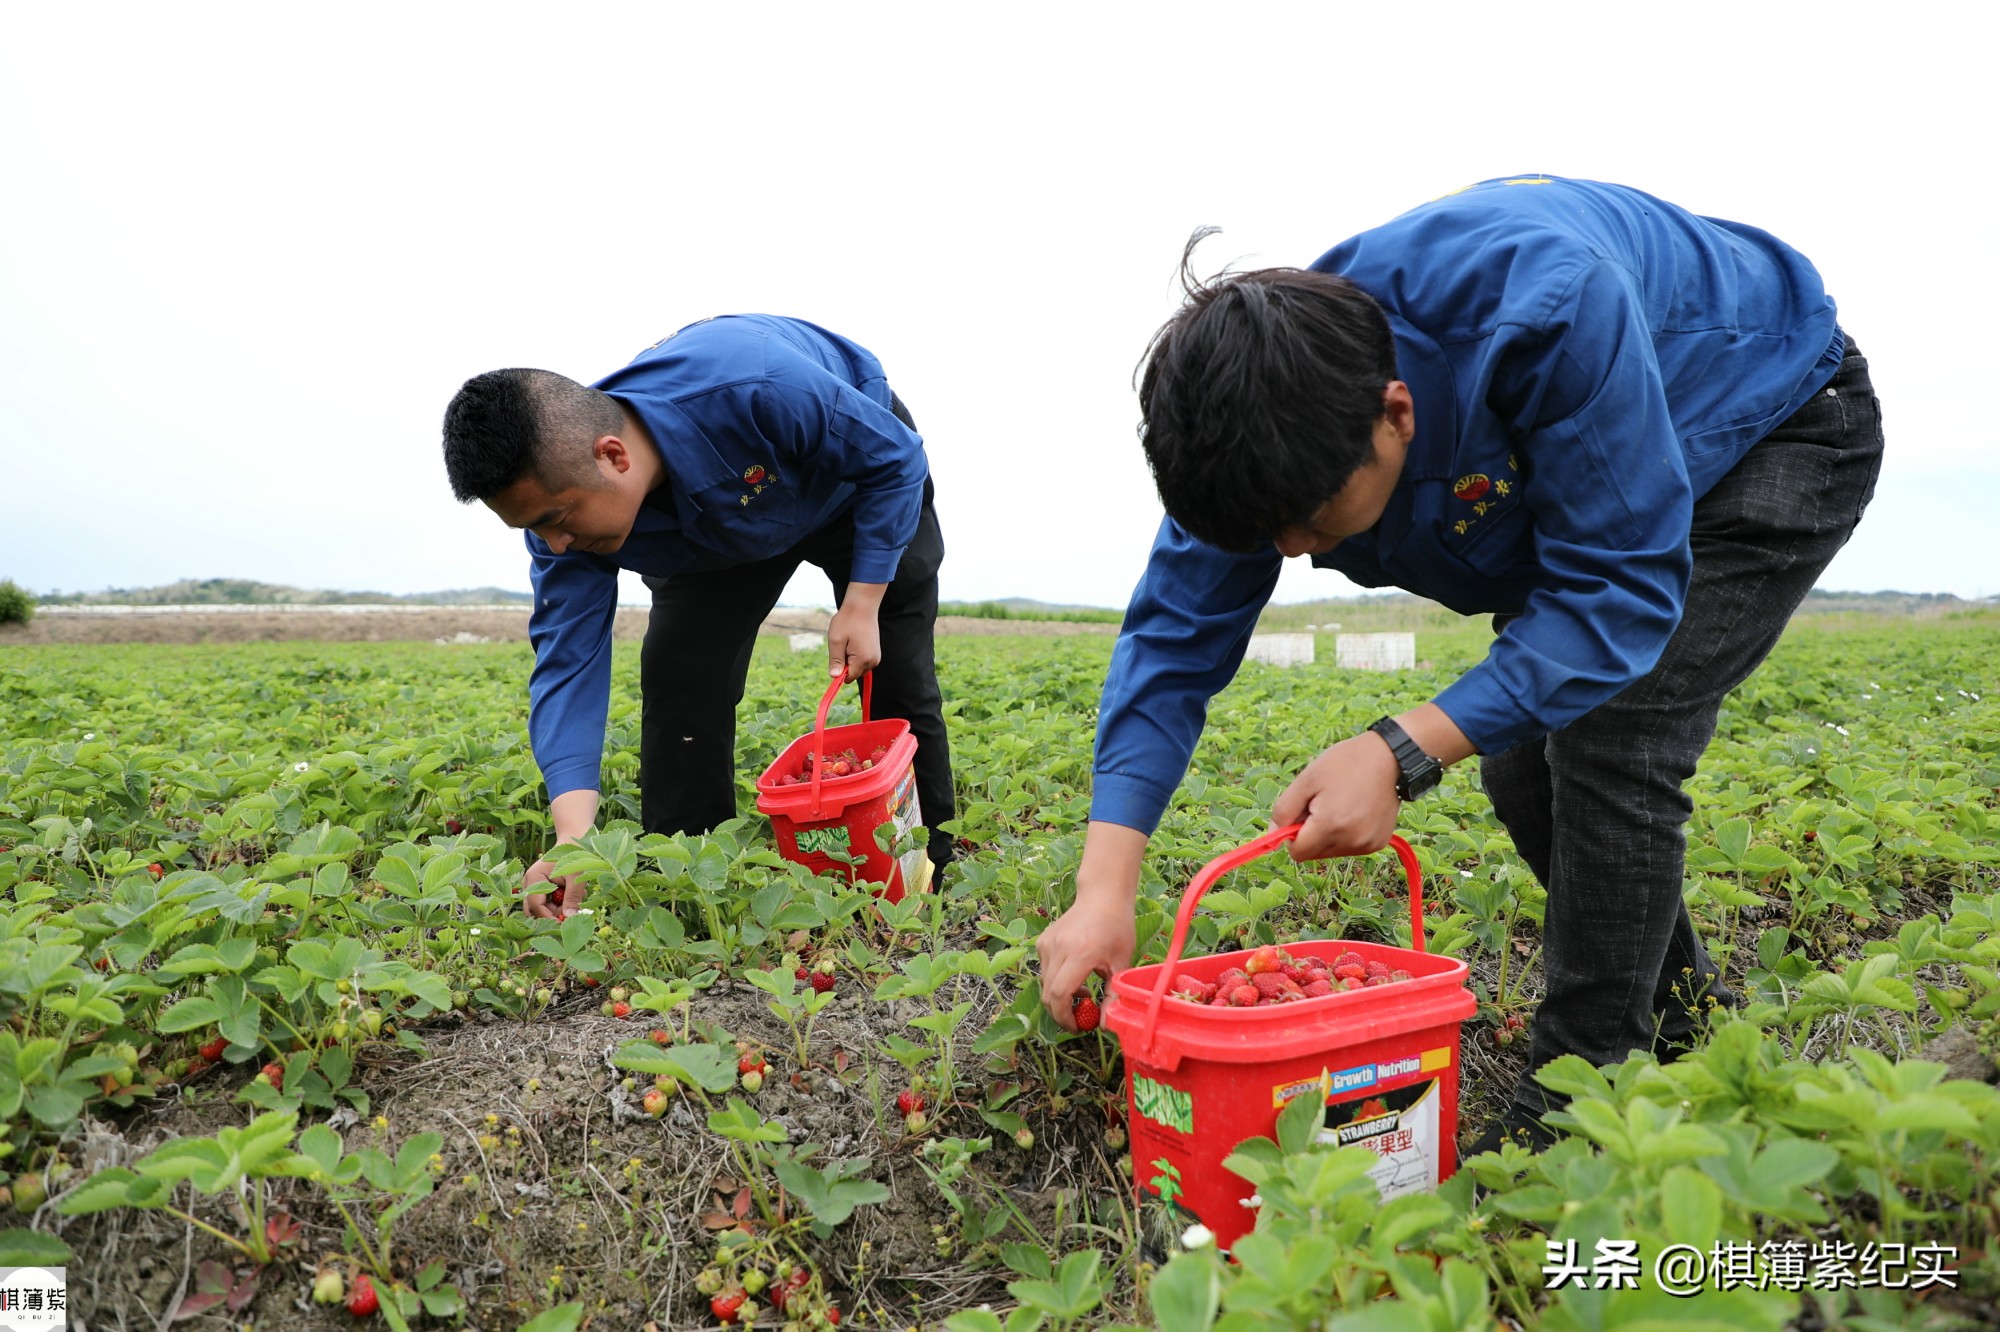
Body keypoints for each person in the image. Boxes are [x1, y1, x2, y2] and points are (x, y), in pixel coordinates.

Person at [1035, 175, 1882, 1154]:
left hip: (1765, 421)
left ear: (1396, 412)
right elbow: (1171, 643)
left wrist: (1396, 751)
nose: (1292, 554)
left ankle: (1577, 1107)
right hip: (1598, 470)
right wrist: (1105, 887)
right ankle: (1683, 1021)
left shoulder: (1544, 314)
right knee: (1522, 761)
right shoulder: (1258, 426)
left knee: (1613, 735)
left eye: (1311, 527)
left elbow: (1614, 594)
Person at [441, 313, 957, 918]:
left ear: (613, 456)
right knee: (682, 677)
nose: (554, 544)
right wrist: (574, 839)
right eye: (533, 528)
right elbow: (567, 667)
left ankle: (931, 864)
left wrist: (863, 601)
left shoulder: (758, 384)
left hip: (854, 480)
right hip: (717, 528)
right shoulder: (563, 529)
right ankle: (694, 884)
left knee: (893, 671)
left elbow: (895, 458)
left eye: (557, 518)